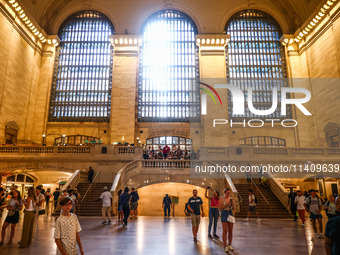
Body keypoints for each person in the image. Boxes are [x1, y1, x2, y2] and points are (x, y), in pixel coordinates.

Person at [219, 188, 235, 252]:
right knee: (225, 230)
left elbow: (233, 208)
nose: (228, 194)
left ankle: (230, 244)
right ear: (225, 193)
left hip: (230, 213)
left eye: (229, 193)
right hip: (224, 213)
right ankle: (225, 246)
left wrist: (233, 204)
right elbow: (221, 207)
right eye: (227, 193)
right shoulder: (221, 198)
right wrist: (228, 203)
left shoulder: (231, 199)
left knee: (230, 230)